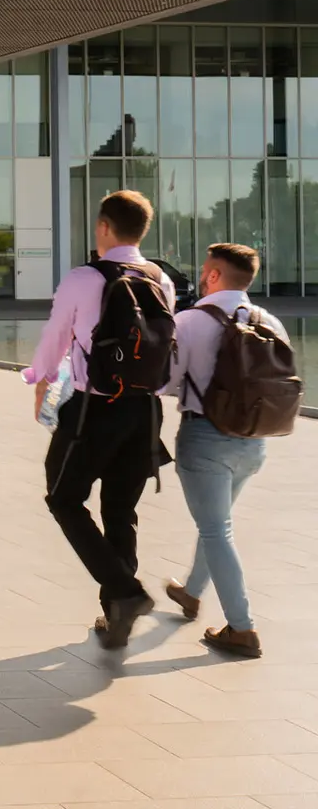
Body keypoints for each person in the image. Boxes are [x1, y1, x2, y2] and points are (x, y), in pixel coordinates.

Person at [28, 190, 175, 650]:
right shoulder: (160, 279)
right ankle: (117, 618)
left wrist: (39, 379)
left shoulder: (84, 277)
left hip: (94, 408)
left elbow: (57, 335)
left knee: (64, 498)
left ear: (105, 227)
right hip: (146, 410)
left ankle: (127, 594)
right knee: (120, 510)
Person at [161, 243, 283, 659]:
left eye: (202, 270)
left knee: (216, 530)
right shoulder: (270, 321)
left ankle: (241, 627)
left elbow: (165, 381)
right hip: (254, 443)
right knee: (216, 524)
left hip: (205, 439)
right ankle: (191, 593)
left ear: (213, 275)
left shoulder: (191, 320)